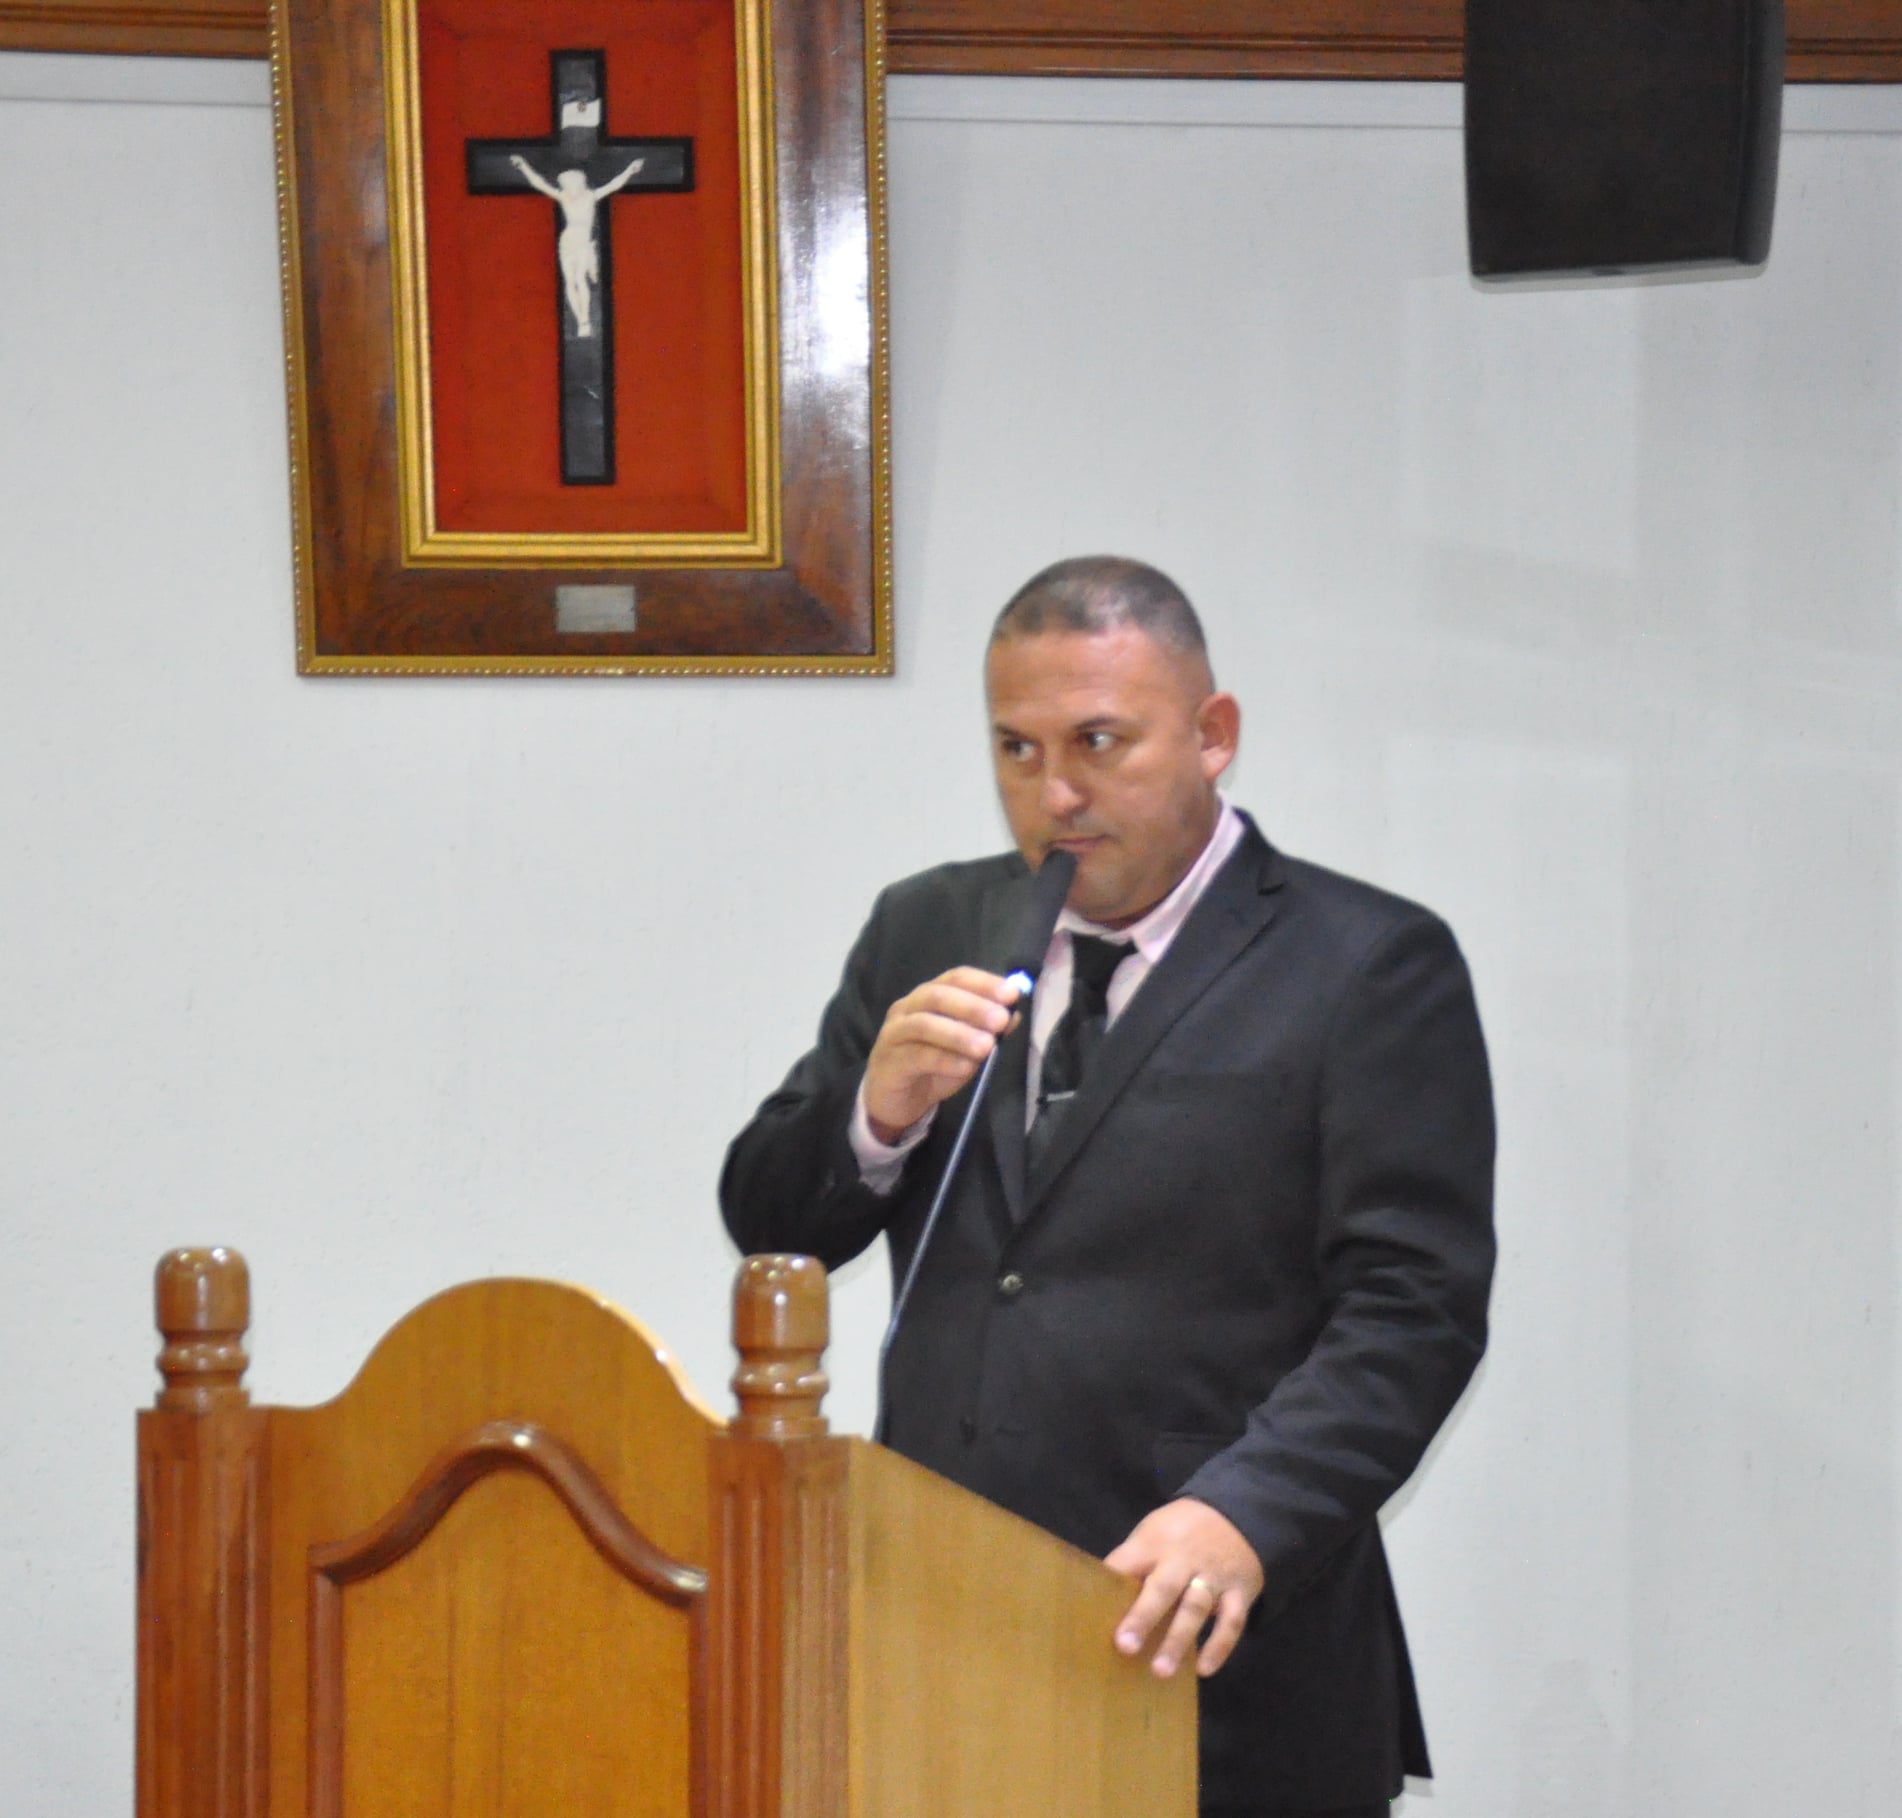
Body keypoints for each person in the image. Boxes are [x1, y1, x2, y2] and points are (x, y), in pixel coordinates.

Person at [720, 556, 1495, 1818]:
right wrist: (876, 1112)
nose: (1056, 795)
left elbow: (1414, 1309)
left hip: (1221, 1653)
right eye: (1016, 751)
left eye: (1097, 742)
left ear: (1212, 734)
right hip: (939, 1640)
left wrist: (1246, 1515)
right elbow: (770, 1219)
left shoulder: (1367, 963)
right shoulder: (928, 926)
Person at [507, 153, 647, 338]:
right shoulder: (563, 196)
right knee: (570, 281)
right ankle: (580, 320)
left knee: (580, 279)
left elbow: (614, 185)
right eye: (567, 182)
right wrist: (523, 165)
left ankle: (585, 320)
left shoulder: (590, 196)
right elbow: (539, 183)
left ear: (581, 181)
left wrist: (630, 170)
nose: (570, 185)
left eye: (573, 180)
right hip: (567, 241)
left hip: (582, 241)